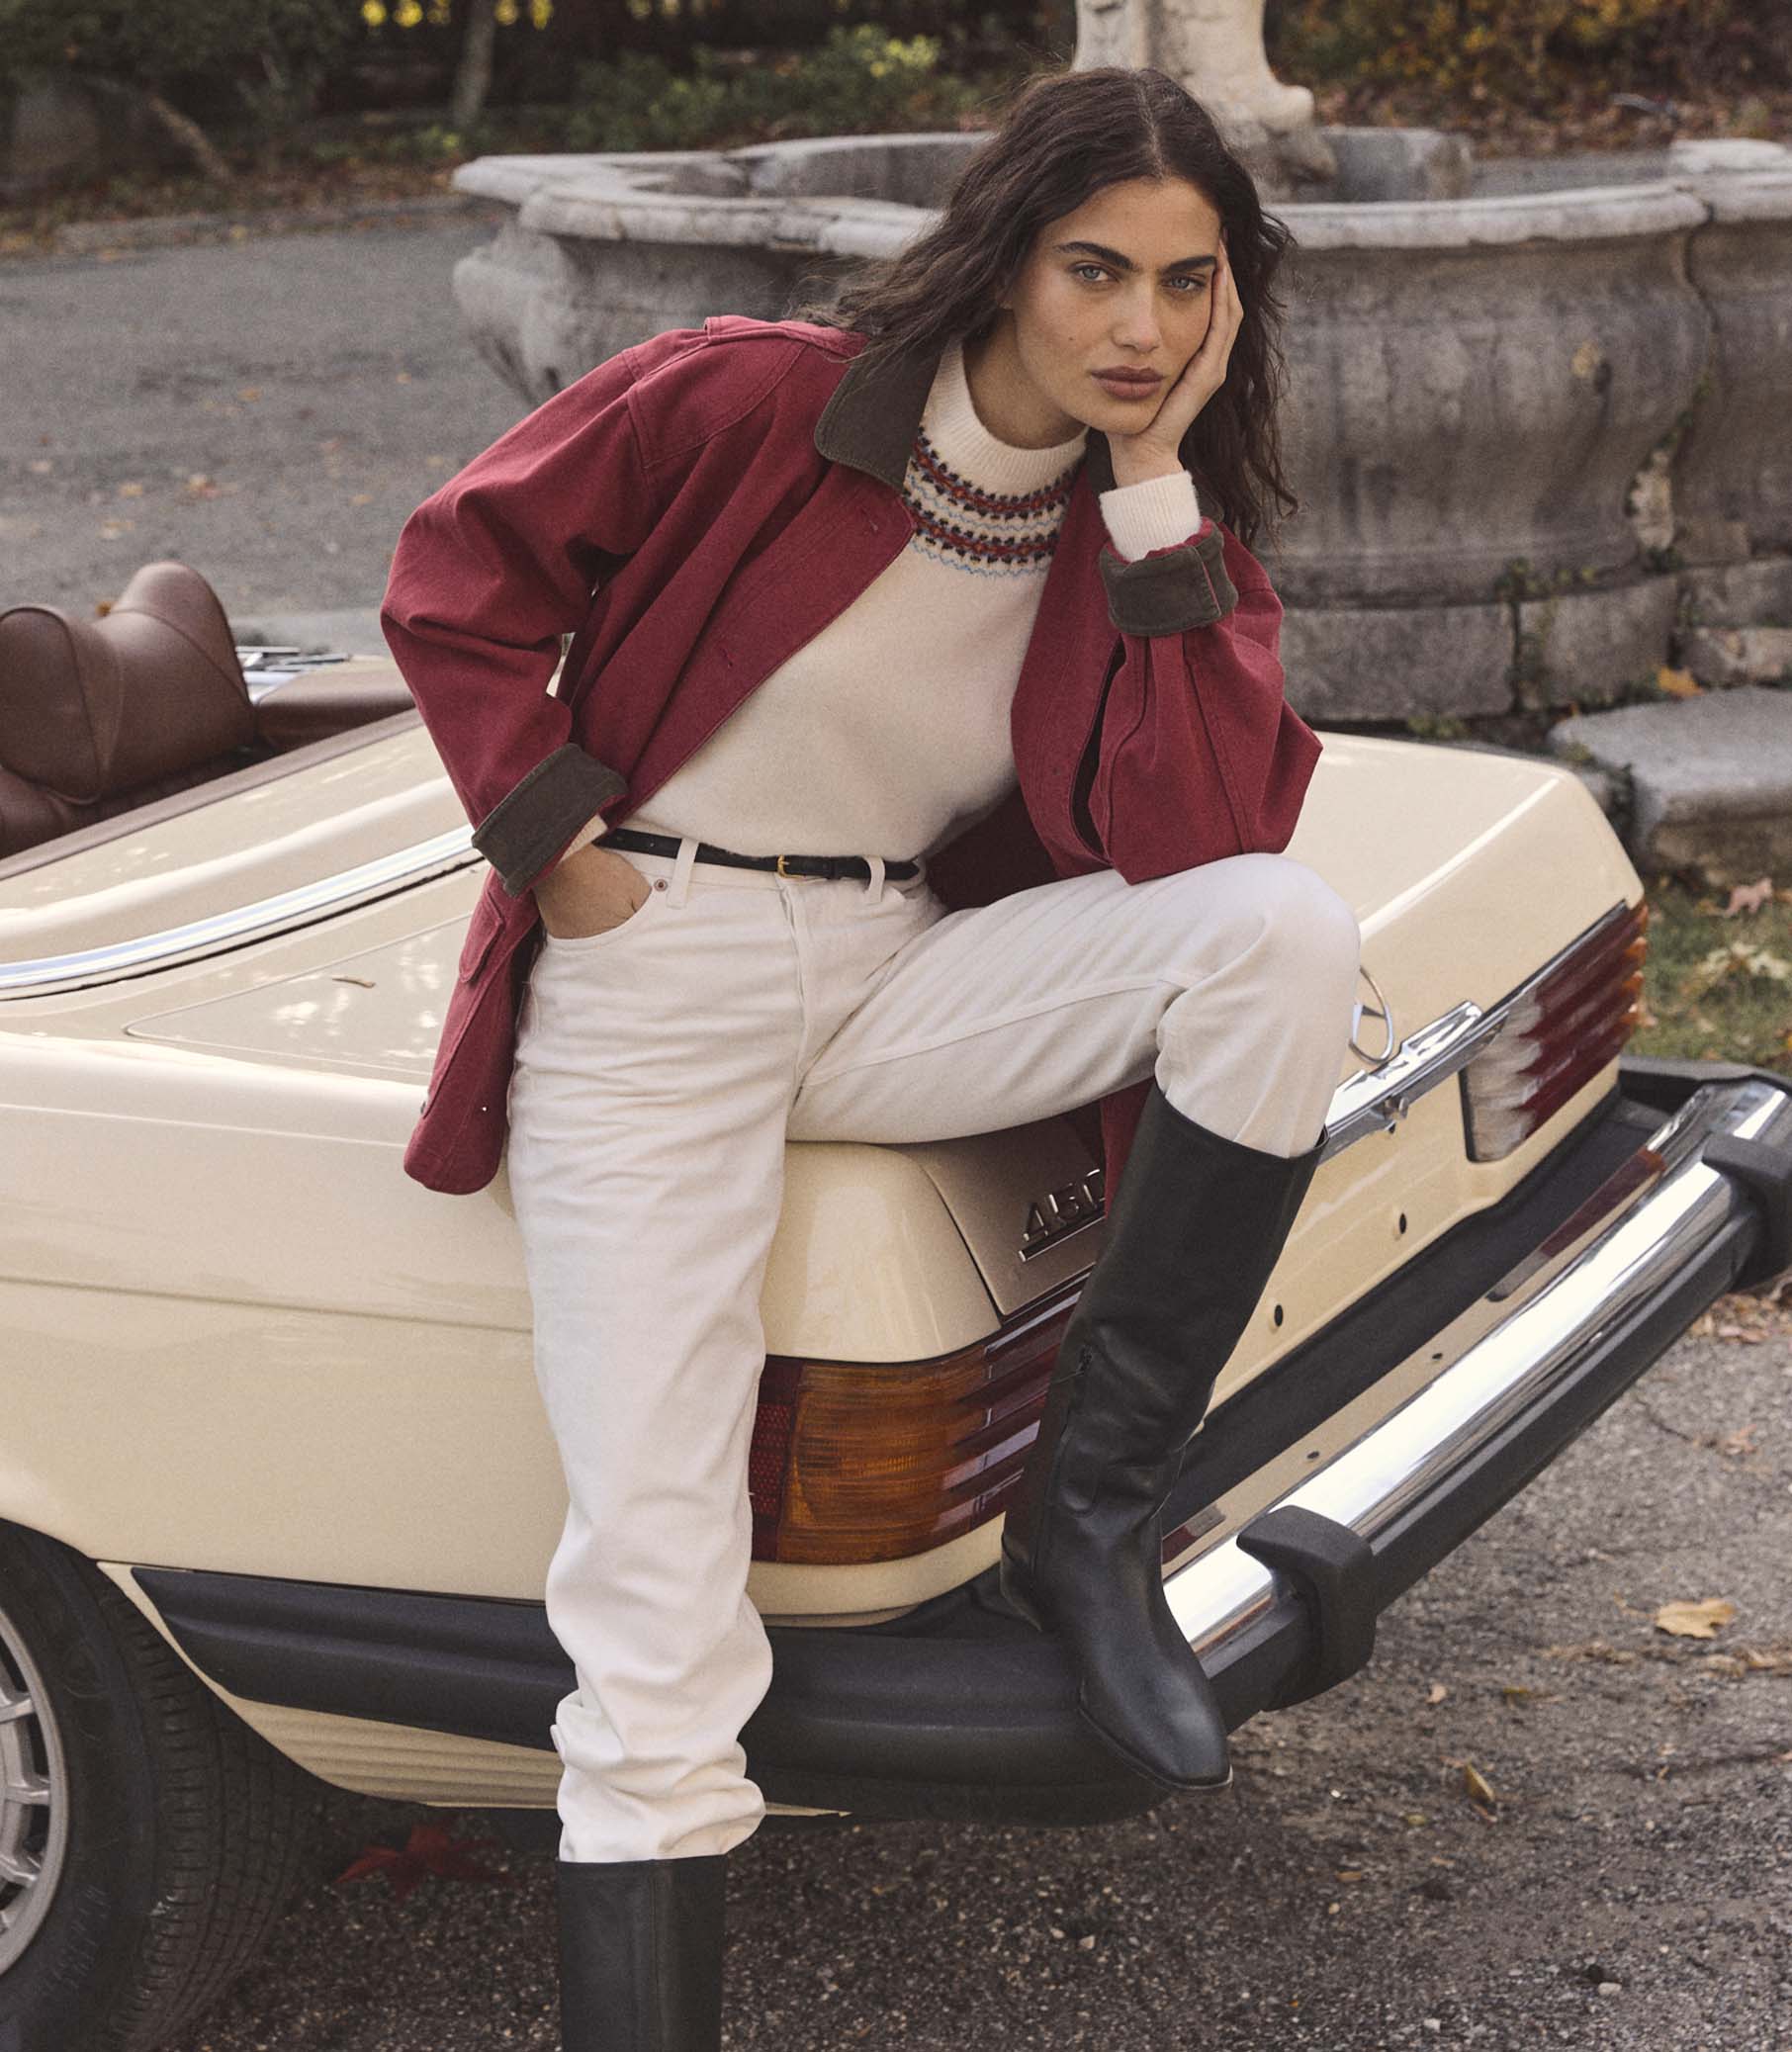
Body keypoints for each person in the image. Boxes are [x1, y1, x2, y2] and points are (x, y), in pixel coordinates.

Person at [380, 59, 1361, 2052]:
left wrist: (1155, 484)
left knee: (1280, 935)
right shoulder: (749, 398)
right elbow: (456, 579)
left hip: (900, 961)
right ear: (1006, 257)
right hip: (654, 971)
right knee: (658, 1567)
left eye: (1186, 283)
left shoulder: (1137, 521)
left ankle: (1087, 1529)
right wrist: (569, 863)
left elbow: (1207, 836)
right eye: (1096, 270)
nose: (1138, 324)